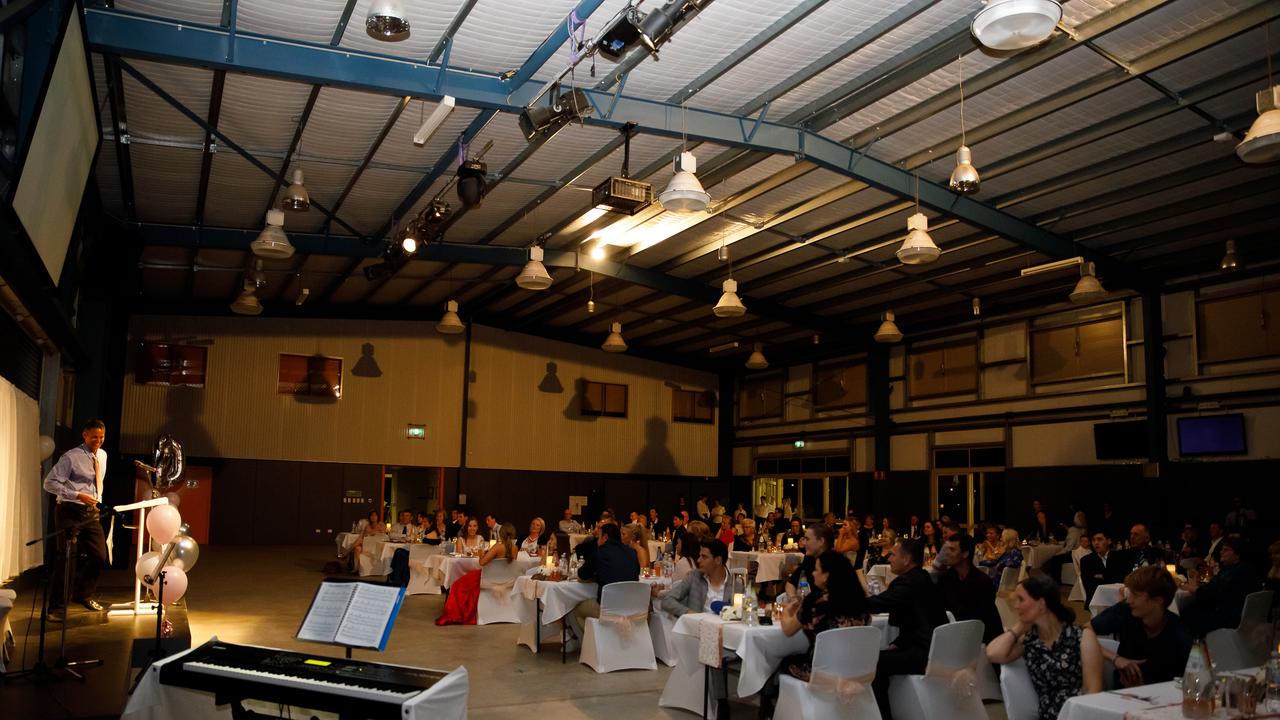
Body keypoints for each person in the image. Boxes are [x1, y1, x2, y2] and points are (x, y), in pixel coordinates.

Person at [758, 551, 871, 717]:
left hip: (820, 672)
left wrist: (787, 612)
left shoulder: (816, 603)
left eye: (817, 570)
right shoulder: (862, 603)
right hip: (855, 670)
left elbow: (788, 630)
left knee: (782, 660)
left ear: (826, 576)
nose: (813, 573)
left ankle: (769, 709)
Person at [987, 574, 1104, 719]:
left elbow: (1093, 691)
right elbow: (993, 654)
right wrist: (1019, 627)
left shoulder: (1081, 637)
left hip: (1078, 714)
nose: (1016, 606)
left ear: (1041, 604)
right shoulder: (1030, 641)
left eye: (1021, 599)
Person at [867, 539, 947, 720]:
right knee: (880, 656)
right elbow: (917, 619)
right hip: (935, 648)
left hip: (924, 653)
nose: (889, 558)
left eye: (893, 554)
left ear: (907, 559)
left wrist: (847, 600)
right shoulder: (923, 578)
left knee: (873, 662)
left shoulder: (908, 582)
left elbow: (878, 604)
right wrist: (899, 642)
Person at [42, 419, 111, 618]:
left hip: (90, 512)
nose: (98, 441)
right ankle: (56, 609)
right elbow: (49, 483)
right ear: (84, 435)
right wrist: (77, 495)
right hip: (69, 510)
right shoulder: (71, 457)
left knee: (99, 556)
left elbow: (97, 482)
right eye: (94, 437)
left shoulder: (103, 455)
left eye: (101, 437)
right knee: (66, 559)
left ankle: (83, 593)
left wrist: (96, 500)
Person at [1091, 566, 1193, 687]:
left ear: (1157, 600)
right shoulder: (1126, 611)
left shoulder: (1179, 635)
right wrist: (1116, 659)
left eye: (1135, 595)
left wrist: (1141, 687)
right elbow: (1082, 632)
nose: (1129, 600)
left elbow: (1184, 685)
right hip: (1120, 694)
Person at [569, 522, 640, 651]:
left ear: (605, 537)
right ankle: (609, 639)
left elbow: (581, 575)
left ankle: (593, 643)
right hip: (631, 607)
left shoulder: (600, 552)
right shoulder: (632, 553)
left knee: (572, 608)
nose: (597, 540)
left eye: (599, 537)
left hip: (608, 608)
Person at [435, 523, 518, 625]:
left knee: (458, 584)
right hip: (506, 580)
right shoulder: (515, 548)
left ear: (501, 534)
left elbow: (482, 563)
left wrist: (481, 554)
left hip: (488, 579)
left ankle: (457, 613)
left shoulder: (498, 547)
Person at [1179, 535, 1260, 637]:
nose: (1221, 552)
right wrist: (1196, 579)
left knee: (1184, 613)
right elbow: (1214, 587)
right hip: (1223, 611)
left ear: (1237, 554)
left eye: (1226, 550)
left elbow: (1209, 593)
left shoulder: (1238, 572)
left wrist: (1189, 587)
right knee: (1186, 609)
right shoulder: (1232, 569)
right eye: (1222, 549)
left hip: (1226, 617)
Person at [939, 532, 1002, 643]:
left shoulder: (982, 582)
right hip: (950, 635)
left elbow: (987, 620)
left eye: (952, 550)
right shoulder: (945, 578)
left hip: (977, 639)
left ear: (965, 554)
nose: (947, 553)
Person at [785, 523, 835, 598]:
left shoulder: (836, 563)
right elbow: (791, 583)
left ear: (821, 541)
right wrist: (793, 598)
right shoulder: (810, 558)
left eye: (807, 539)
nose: (804, 543)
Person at [1079, 531, 1125, 604]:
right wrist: (1111, 576)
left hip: (1119, 597)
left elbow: (1122, 578)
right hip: (1097, 599)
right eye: (1093, 540)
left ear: (1109, 541)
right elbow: (1090, 585)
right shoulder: (1086, 560)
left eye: (1099, 539)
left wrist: (1103, 576)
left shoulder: (1118, 557)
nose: (1096, 543)